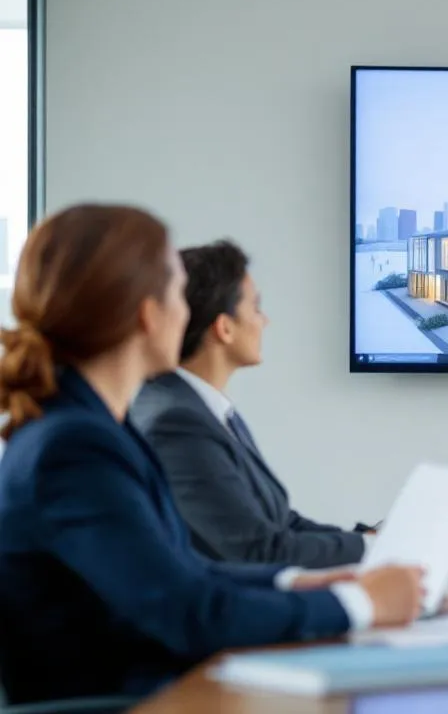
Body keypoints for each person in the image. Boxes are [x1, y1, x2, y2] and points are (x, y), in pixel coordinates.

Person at [0, 204, 425, 704]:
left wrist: (300, 581)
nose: (190, 314)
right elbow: (188, 612)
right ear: (147, 312)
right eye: (180, 292)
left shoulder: (91, 430)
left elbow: (181, 569)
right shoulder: (73, 450)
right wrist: (359, 604)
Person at [128, 239, 448, 568]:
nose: (265, 321)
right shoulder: (177, 422)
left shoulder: (201, 409)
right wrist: (390, 549)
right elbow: (258, 551)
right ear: (225, 328)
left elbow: (283, 524)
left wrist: (376, 540)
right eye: (256, 307)